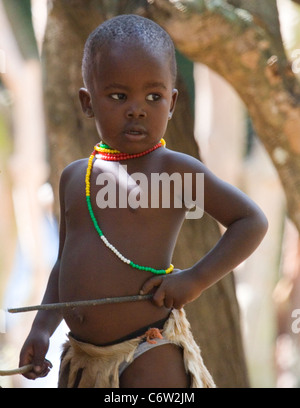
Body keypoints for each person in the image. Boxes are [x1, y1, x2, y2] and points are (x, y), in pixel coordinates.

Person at [19, 14, 268, 388]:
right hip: (82, 358)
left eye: (153, 96)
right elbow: (64, 262)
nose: (137, 109)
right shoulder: (75, 177)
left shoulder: (177, 171)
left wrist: (195, 279)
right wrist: (41, 328)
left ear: (172, 103)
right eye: (118, 96)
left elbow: (251, 221)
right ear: (88, 103)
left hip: (149, 350)